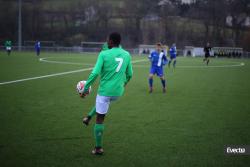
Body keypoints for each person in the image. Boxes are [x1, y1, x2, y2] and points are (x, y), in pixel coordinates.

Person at [80, 32, 133, 155]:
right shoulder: (126, 54)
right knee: (103, 103)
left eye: (107, 40)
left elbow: (95, 73)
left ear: (111, 42)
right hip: (118, 93)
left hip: (105, 91)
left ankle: (98, 148)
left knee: (100, 118)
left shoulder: (103, 54)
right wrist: (123, 83)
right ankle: (88, 117)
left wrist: (85, 89)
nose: (106, 41)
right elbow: (130, 74)